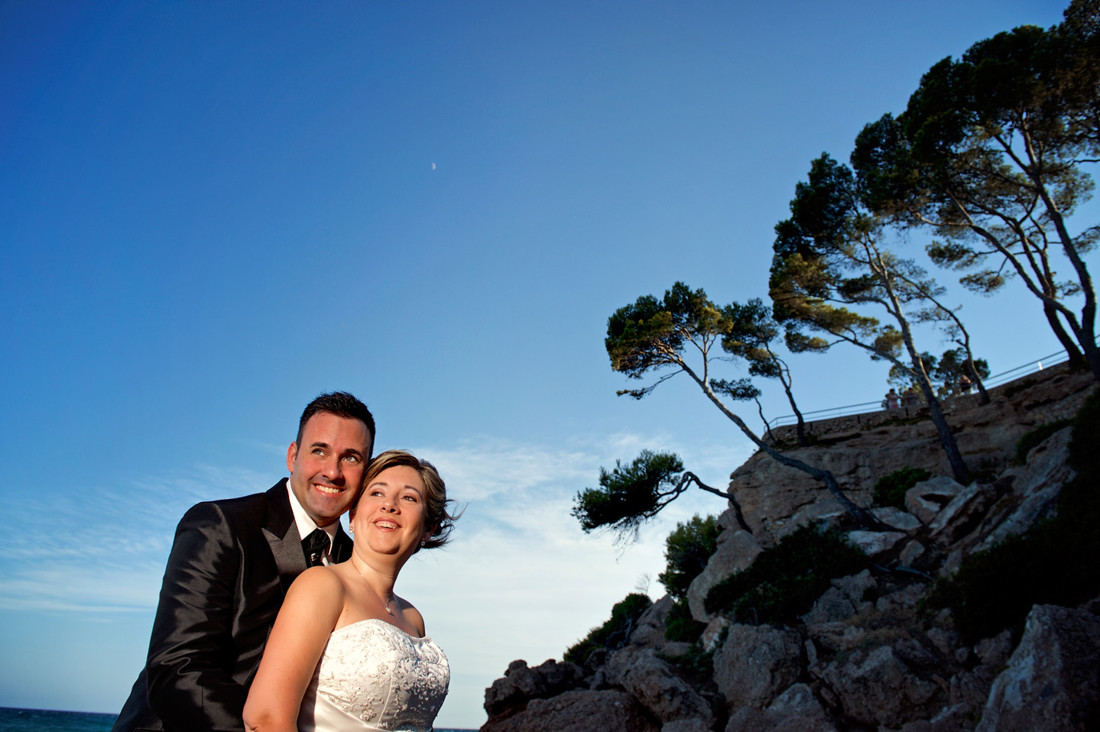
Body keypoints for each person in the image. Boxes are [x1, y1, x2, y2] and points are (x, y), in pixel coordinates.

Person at [113, 392, 375, 732]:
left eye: (351, 458)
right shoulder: (219, 525)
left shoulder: (354, 563)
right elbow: (177, 668)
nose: (332, 471)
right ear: (292, 456)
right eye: (319, 450)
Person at [243, 450, 457, 732]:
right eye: (377, 493)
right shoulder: (322, 586)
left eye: (409, 498)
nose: (390, 505)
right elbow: (265, 717)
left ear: (428, 528)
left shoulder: (413, 618)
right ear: (353, 516)